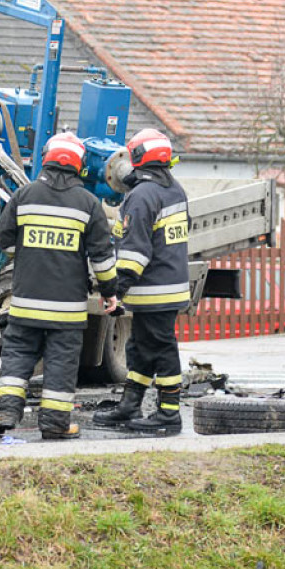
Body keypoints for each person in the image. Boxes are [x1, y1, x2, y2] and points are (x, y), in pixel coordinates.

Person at [0, 132, 118, 440]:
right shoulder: (89, 204)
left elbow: (3, 239)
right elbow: (102, 257)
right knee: (61, 363)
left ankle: (6, 412)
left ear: (46, 158)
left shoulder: (25, 195)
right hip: (67, 309)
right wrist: (110, 292)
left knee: (17, 356)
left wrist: (30, 256)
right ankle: (55, 424)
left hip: (26, 302)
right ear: (79, 165)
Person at [93, 128, 189, 435]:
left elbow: (135, 252)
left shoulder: (142, 196)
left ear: (137, 157)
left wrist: (115, 291)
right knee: (141, 348)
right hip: (168, 285)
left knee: (160, 348)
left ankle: (169, 413)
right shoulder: (173, 190)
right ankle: (130, 406)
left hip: (153, 289)